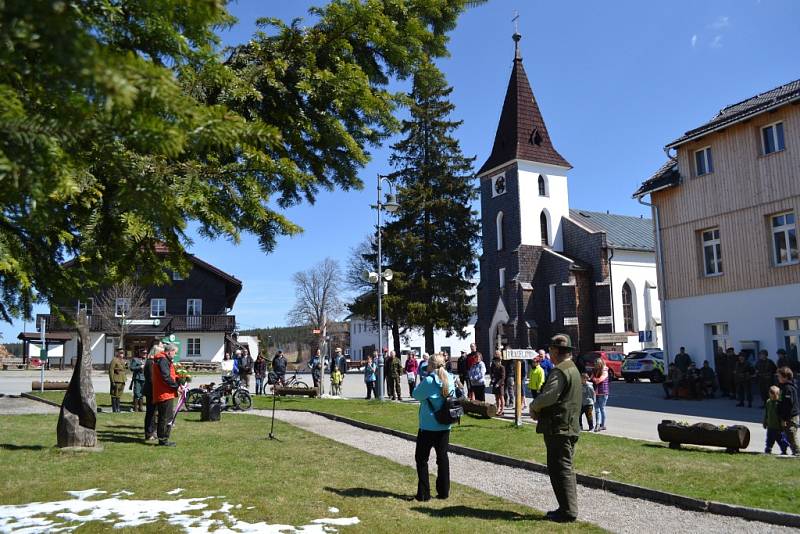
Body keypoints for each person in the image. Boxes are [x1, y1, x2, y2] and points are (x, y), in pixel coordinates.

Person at [530, 334, 582, 523]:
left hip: (559, 428)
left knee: (561, 469)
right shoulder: (572, 369)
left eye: (551, 350)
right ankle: (566, 508)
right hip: (567, 426)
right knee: (564, 468)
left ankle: (568, 511)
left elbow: (549, 396)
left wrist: (534, 406)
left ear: (555, 351)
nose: (549, 354)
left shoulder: (560, 370)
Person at [412, 353, 455, 502]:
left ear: (430, 365)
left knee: (422, 459)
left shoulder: (430, 380)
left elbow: (416, 394)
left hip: (428, 425)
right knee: (442, 458)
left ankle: (424, 493)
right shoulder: (450, 377)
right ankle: (444, 491)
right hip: (445, 424)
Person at [152, 343, 182, 447]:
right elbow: (166, 377)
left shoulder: (163, 359)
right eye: (174, 352)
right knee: (165, 417)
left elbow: (170, 375)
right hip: (164, 393)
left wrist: (178, 381)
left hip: (165, 392)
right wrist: (176, 386)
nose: (175, 355)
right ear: (169, 351)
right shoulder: (163, 360)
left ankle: (164, 438)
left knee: (165, 417)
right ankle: (163, 439)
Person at [776, 367, 799, 456]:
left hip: (790, 416)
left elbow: (788, 404)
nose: (778, 378)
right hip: (785, 415)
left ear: (785, 377)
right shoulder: (782, 387)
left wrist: (784, 417)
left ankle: (797, 452)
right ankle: (794, 451)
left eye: (779, 376)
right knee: (787, 434)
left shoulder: (788, 388)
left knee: (791, 433)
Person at [143, 341, 161, 441]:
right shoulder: (150, 362)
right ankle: (149, 433)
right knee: (150, 412)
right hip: (151, 390)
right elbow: (151, 378)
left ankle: (153, 431)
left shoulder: (153, 361)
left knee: (154, 412)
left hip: (153, 390)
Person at [764, 385, 789, 455]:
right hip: (770, 426)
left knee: (781, 440)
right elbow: (766, 413)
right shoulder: (768, 402)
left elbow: (782, 414)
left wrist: (783, 422)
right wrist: (765, 422)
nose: (773, 396)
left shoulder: (779, 403)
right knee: (769, 440)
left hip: (778, 427)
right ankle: (768, 450)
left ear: (778, 394)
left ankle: (784, 451)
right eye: (771, 394)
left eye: (775, 394)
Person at [591, 357, 609, 431]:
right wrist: (594, 378)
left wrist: (594, 379)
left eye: (597, 364)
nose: (596, 366)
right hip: (596, 392)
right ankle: (597, 424)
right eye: (595, 364)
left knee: (602, 409)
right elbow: (591, 378)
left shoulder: (605, 371)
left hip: (603, 392)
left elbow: (599, 380)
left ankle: (603, 424)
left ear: (600, 364)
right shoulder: (595, 370)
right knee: (596, 410)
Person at [489, 351, 505, 416]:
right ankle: (498, 409)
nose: (495, 363)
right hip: (495, 384)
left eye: (496, 361)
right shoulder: (495, 367)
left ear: (499, 361)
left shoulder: (502, 367)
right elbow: (493, 376)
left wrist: (498, 383)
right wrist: (492, 381)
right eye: (495, 362)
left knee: (501, 397)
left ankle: (502, 410)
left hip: (500, 384)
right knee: (496, 397)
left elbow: (503, 377)